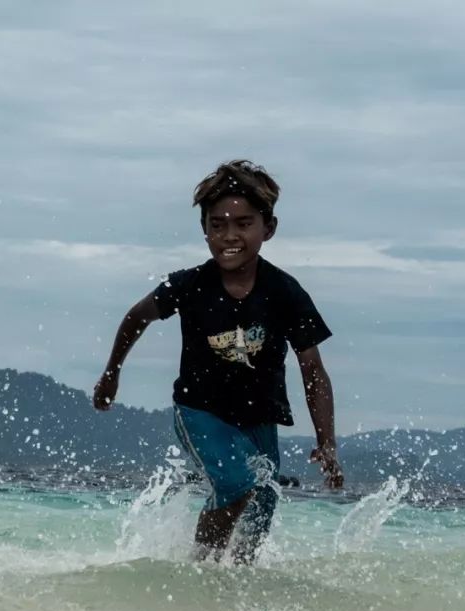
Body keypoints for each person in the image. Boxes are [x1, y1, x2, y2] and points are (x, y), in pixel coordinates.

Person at [93, 160, 343, 563]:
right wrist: (111, 373)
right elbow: (136, 317)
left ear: (269, 228)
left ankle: (236, 586)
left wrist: (326, 442)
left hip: (260, 417)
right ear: (204, 229)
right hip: (199, 411)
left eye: (243, 224)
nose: (230, 235)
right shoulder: (188, 285)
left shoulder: (285, 292)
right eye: (217, 224)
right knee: (235, 482)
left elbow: (312, 369)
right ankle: (201, 570)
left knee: (262, 502)